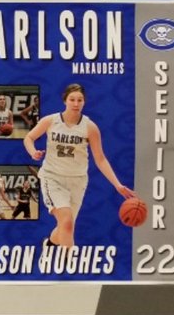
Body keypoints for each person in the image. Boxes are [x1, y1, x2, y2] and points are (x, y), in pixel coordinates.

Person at [24, 82, 136, 250]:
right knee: (67, 222)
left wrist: (117, 184)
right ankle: (70, 270)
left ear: (84, 102)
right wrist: (33, 152)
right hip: (52, 177)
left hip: (78, 181)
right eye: (72, 99)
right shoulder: (50, 121)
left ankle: (49, 244)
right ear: (65, 101)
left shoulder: (90, 127)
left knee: (65, 226)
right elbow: (28, 138)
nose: (76, 103)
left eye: (80, 100)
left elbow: (101, 159)